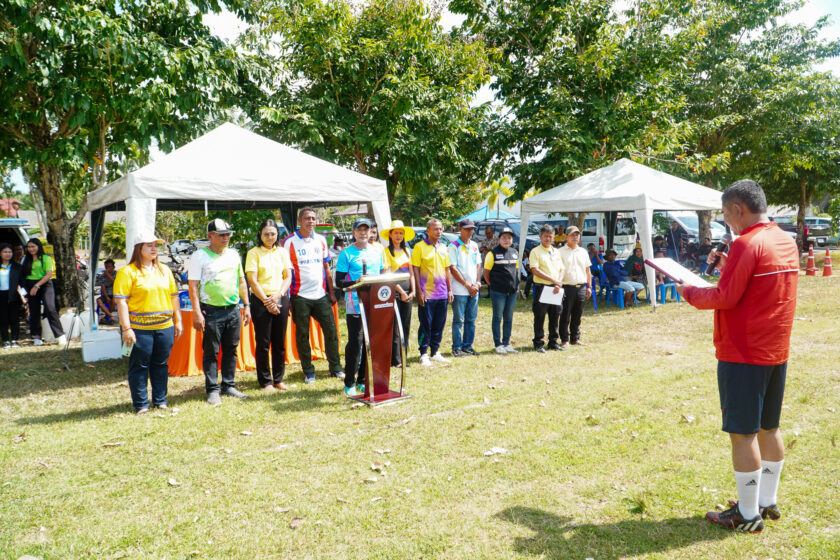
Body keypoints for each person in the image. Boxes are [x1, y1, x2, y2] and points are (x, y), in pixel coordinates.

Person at [677, 179, 798, 534]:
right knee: (769, 428)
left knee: (742, 434)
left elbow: (725, 297)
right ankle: (766, 500)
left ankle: (747, 513)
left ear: (738, 209)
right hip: (775, 348)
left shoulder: (746, 243)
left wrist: (689, 291)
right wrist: (730, 264)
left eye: (726, 215)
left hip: (744, 352)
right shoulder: (784, 239)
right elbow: (758, 283)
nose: (726, 222)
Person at [114, 232, 183, 413]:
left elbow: (174, 296)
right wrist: (126, 328)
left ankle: (160, 400)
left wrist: (178, 320)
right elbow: (121, 302)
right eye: (149, 245)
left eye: (155, 245)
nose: (154, 249)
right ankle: (141, 405)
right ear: (139, 248)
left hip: (164, 326)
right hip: (139, 328)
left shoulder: (164, 270)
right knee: (139, 366)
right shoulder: (127, 272)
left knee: (161, 364)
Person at [188, 219, 251, 405]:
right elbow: (193, 286)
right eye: (221, 235)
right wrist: (197, 312)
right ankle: (212, 389)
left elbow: (241, 281)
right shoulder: (199, 256)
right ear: (210, 236)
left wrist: (247, 305)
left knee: (231, 349)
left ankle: (228, 385)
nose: (226, 238)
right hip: (211, 310)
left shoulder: (233, 254)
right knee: (211, 351)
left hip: (233, 309)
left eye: (228, 234)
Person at [283, 207, 344, 383]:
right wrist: (288, 298)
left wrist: (331, 293)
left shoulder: (321, 240)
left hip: (321, 295)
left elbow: (326, 268)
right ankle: (308, 371)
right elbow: (284, 272)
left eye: (313, 218)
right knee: (302, 335)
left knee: (331, 331)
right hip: (299, 296)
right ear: (300, 221)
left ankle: (336, 368)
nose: (310, 221)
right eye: (307, 218)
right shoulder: (289, 242)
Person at [334, 218, 383, 396]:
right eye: (359, 230)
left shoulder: (377, 252)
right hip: (354, 304)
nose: (363, 233)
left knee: (370, 342)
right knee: (356, 342)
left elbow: (382, 275)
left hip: (375, 304)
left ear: (371, 232)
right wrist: (357, 281)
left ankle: (362, 380)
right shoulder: (346, 254)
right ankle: (350, 383)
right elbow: (339, 281)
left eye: (366, 230)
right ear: (354, 233)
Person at [245, 219, 293, 392]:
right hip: (260, 300)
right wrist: (267, 301)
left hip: (280, 298)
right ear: (260, 234)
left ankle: (278, 379)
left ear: (277, 234)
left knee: (279, 342)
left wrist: (278, 295)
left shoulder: (282, 252)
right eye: (266, 234)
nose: (270, 237)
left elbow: (288, 277)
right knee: (263, 342)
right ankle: (265, 381)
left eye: (273, 234)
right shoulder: (253, 253)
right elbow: (252, 280)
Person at [411, 218, 453, 366]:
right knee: (425, 324)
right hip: (427, 293)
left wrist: (450, 290)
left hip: (442, 293)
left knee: (439, 324)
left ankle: (435, 352)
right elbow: (415, 269)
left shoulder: (444, 247)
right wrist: (419, 291)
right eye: (435, 229)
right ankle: (423, 353)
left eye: (440, 229)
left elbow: (447, 270)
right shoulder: (419, 247)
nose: (438, 231)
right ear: (428, 231)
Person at [381, 220, 416, 367]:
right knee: (395, 326)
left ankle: (404, 357)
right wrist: (401, 292)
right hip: (394, 292)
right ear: (390, 235)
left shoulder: (407, 251)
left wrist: (413, 291)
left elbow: (411, 273)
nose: (399, 236)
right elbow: (387, 276)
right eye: (396, 233)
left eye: (401, 233)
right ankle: (396, 360)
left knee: (406, 325)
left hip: (408, 292)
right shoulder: (386, 252)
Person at [22, 238, 65, 347]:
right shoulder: (25, 259)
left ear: (38, 246)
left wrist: (37, 286)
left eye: (33, 246)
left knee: (50, 309)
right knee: (34, 311)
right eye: (29, 247)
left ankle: (60, 335)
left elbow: (48, 274)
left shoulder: (45, 258)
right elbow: (23, 275)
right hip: (30, 285)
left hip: (45, 284)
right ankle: (36, 337)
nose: (31, 249)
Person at [529, 224, 565, 353]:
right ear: (540, 237)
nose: (548, 239)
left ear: (554, 237)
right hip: (542, 287)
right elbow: (535, 270)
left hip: (556, 288)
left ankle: (553, 342)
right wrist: (554, 280)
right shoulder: (535, 251)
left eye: (550, 236)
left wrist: (558, 283)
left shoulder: (556, 252)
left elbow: (562, 269)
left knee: (555, 315)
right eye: (545, 236)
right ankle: (538, 343)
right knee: (540, 315)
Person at [448, 218, 481, 358]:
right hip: (460, 289)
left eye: (472, 229)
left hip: (474, 289)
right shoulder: (453, 246)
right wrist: (467, 285)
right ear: (460, 229)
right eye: (467, 229)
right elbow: (453, 269)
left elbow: (478, 265)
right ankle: (457, 347)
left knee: (471, 320)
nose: (470, 231)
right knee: (458, 320)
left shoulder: (474, 245)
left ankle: (467, 346)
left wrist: (477, 283)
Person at [483, 227, 519, 355]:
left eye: (509, 238)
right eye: (503, 238)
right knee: (497, 317)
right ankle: (498, 344)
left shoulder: (514, 252)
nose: (506, 240)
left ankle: (506, 343)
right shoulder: (492, 254)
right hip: (498, 292)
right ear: (499, 239)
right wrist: (493, 285)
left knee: (508, 317)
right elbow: (486, 273)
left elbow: (515, 271)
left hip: (512, 292)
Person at [558, 226, 591, 348]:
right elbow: (557, 271)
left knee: (578, 315)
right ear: (566, 237)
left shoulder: (583, 252)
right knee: (565, 315)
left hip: (581, 287)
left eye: (577, 235)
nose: (575, 237)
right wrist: (559, 288)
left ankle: (575, 338)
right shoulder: (560, 252)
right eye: (572, 235)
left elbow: (587, 270)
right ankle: (564, 339)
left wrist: (589, 286)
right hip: (567, 287)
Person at [0, 243, 24, 348]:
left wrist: (24, 296)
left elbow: (22, 282)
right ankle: (5, 340)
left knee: (14, 318)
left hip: (14, 294)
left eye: (9, 252)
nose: (7, 254)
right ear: (0, 253)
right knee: (3, 318)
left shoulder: (17, 267)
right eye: (5, 252)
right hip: (1, 294)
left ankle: (14, 340)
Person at [96, 258, 117, 324]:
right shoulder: (102, 276)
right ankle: (111, 316)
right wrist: (107, 297)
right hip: (107, 294)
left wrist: (108, 276)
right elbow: (103, 288)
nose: (108, 268)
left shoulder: (117, 274)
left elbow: (116, 284)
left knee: (113, 301)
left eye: (109, 267)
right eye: (106, 267)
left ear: (113, 267)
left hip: (116, 293)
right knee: (99, 301)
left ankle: (105, 318)